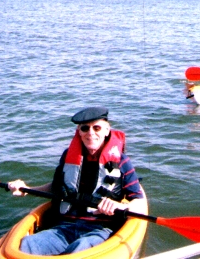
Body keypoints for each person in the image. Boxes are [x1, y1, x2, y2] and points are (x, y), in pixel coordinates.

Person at [8, 106, 145, 255]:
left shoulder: (122, 162)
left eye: (97, 128)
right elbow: (56, 187)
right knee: (29, 243)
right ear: (79, 132)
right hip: (63, 229)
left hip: (98, 230)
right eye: (85, 128)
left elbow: (139, 202)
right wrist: (26, 189)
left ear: (107, 130)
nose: (91, 133)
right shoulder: (68, 156)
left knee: (79, 248)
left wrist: (118, 206)